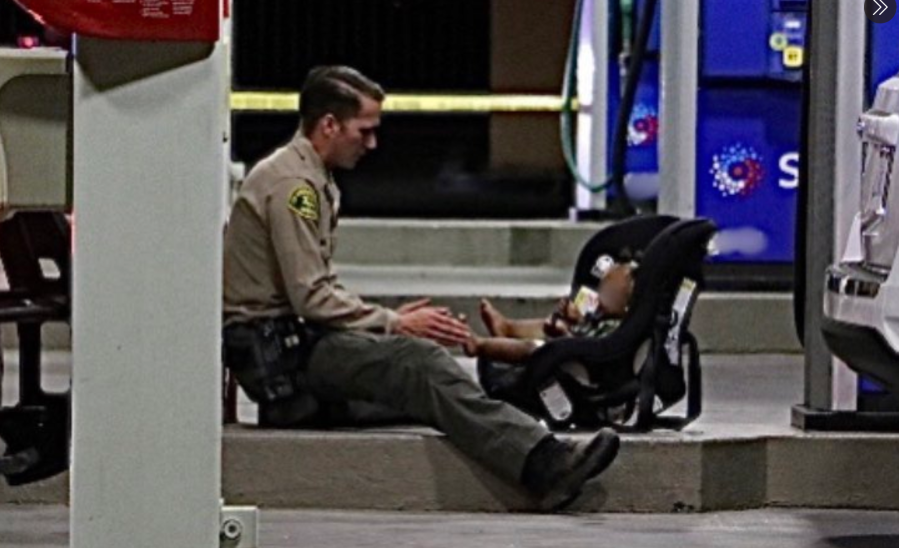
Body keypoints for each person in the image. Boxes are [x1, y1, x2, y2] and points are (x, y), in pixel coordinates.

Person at [221, 65, 620, 511]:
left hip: (291, 345)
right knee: (421, 362)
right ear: (329, 125)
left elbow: (311, 290)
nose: (372, 143)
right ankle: (543, 463)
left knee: (430, 385)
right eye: (364, 130)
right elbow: (309, 296)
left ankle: (525, 438)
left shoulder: (309, 177)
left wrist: (382, 324)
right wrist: (393, 322)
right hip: (282, 361)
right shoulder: (294, 185)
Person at [463, 259, 636, 364]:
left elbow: (593, 354)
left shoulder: (616, 329)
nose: (600, 296)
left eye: (609, 293)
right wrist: (574, 319)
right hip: (572, 347)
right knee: (545, 326)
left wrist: (565, 333)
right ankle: (508, 328)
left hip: (577, 364)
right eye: (601, 288)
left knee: (534, 348)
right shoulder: (601, 316)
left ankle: (479, 346)